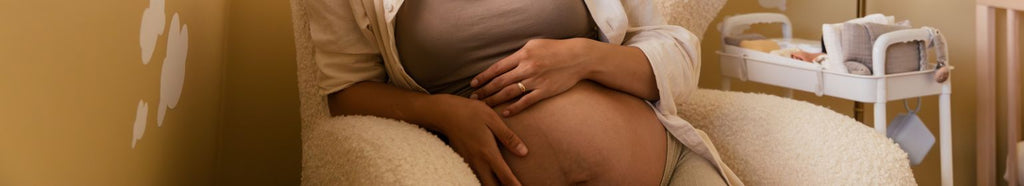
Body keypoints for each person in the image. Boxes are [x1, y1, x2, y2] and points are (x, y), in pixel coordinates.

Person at [304, 0, 742, 185]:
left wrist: (582, 58)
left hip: (670, 171)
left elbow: (678, 52)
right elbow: (345, 92)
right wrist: (439, 112)